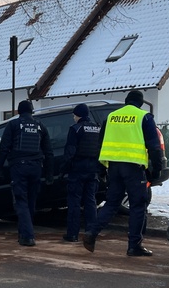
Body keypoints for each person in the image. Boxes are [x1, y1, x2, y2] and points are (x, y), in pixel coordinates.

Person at [82, 90, 163, 256]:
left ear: (126, 101)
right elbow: (154, 147)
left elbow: (100, 144)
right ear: (140, 103)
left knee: (112, 204)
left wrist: (101, 169)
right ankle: (134, 246)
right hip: (133, 168)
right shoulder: (144, 117)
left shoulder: (111, 117)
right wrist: (156, 170)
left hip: (114, 167)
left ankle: (91, 232)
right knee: (138, 206)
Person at [0, 99, 52, 246]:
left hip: (19, 168)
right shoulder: (40, 126)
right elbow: (49, 152)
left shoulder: (13, 125)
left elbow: (4, 148)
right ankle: (23, 233)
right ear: (32, 111)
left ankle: (28, 236)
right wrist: (49, 173)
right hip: (36, 168)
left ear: (19, 112)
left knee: (21, 202)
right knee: (31, 202)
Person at [62, 103, 101, 243]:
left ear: (78, 115)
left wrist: (64, 169)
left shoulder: (76, 129)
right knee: (90, 201)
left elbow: (70, 151)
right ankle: (91, 233)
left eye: (74, 115)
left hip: (77, 170)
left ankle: (72, 234)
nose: (73, 117)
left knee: (74, 202)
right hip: (92, 171)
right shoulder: (98, 128)